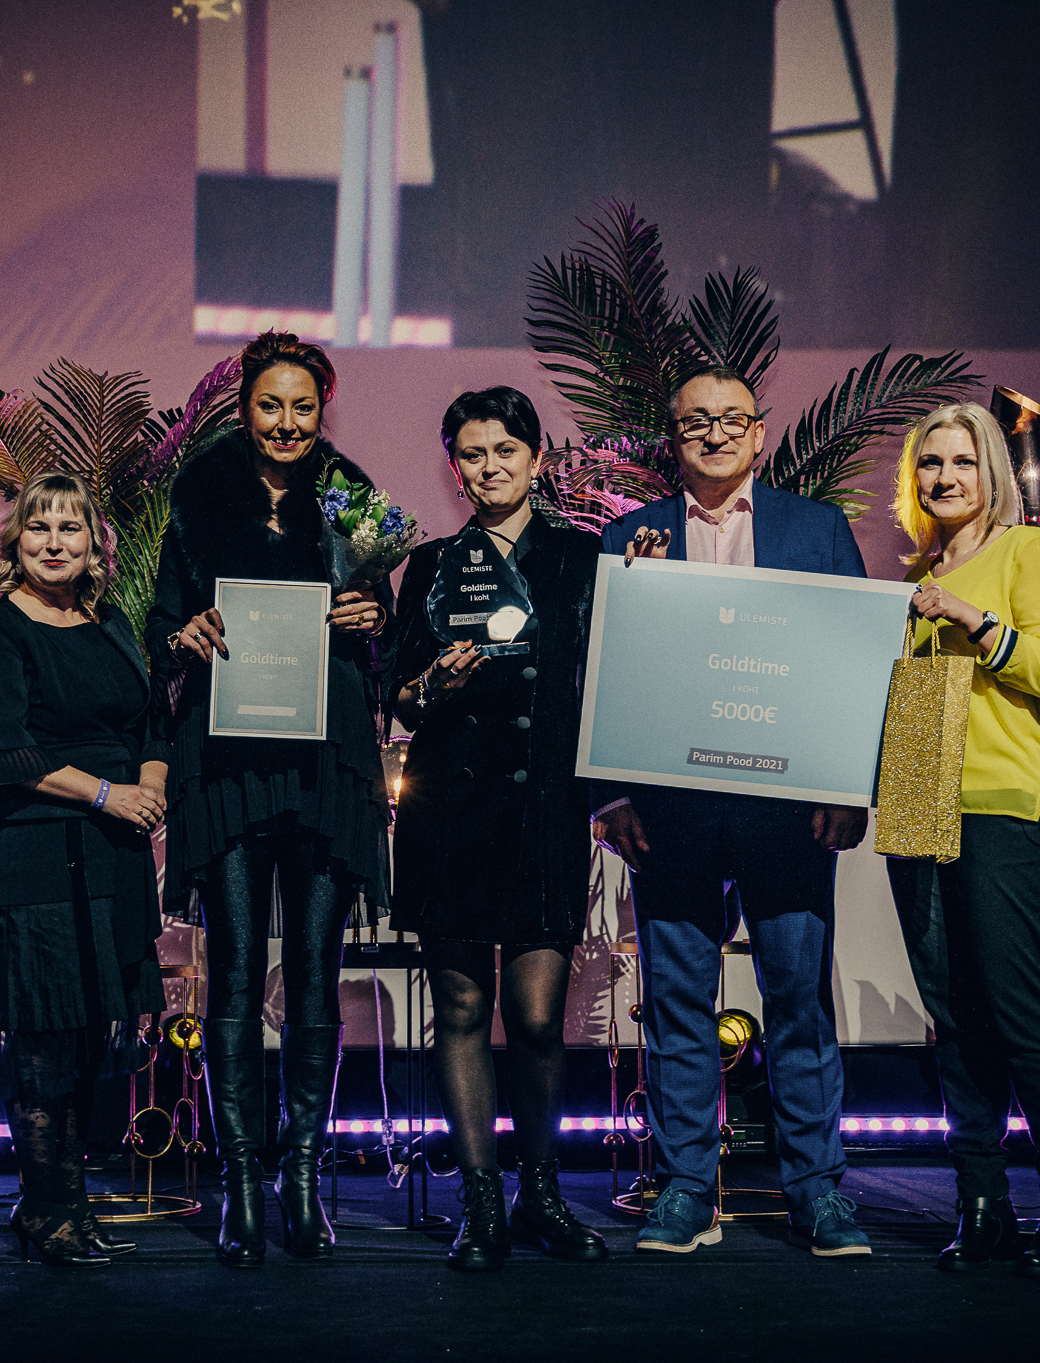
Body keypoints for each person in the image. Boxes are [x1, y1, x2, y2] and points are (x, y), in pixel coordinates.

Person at [590, 367, 872, 1258]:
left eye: (730, 420)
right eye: (694, 422)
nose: (713, 434)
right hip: (670, 812)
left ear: (759, 433)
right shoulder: (631, 535)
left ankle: (817, 1192)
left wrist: (847, 783)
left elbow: (854, 661)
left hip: (788, 811)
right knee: (677, 1003)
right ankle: (686, 1189)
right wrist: (612, 794)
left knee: (798, 999)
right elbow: (602, 665)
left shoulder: (816, 529)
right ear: (671, 438)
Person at [147, 332, 394, 1267]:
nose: (287, 422)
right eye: (269, 405)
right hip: (230, 758)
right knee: (239, 972)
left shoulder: (353, 495)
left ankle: (302, 1179)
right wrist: (186, 633)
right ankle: (242, 1183)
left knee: (317, 973)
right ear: (243, 407)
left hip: (327, 759)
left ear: (322, 409)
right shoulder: (199, 494)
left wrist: (374, 614)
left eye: (303, 406)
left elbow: (386, 620)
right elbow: (162, 621)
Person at [388, 387, 610, 1272]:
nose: (489, 467)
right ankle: (481, 1201)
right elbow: (400, 697)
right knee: (462, 1007)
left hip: (545, 807)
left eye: (505, 450)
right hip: (448, 808)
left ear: (537, 457)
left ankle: (541, 1195)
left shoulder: (582, 557)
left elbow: (608, 676)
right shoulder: (429, 565)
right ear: (455, 468)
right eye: (473, 454)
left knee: (538, 1016)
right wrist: (430, 685)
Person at [884, 403, 1040, 1277]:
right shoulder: (911, 581)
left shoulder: (1026, 553)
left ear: (994, 473)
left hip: (1006, 807)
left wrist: (970, 616)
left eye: (962, 461)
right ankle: (982, 1205)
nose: (944, 477)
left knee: (1016, 1011)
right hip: (915, 801)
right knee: (953, 1020)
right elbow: (901, 707)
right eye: (929, 463)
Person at [0, 472, 168, 1268]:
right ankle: (47, 1211)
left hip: (115, 856)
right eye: (38, 527)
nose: (53, 542)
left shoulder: (111, 623)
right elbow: (1, 752)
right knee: (44, 1040)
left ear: (93, 546)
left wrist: (151, 785)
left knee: (84, 1041)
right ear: (15, 542)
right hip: (41, 852)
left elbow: (153, 722)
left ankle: (70, 1205)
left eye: (70, 528)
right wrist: (109, 793)